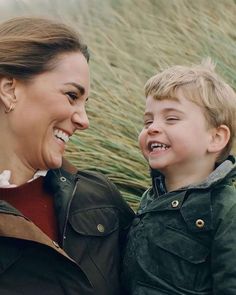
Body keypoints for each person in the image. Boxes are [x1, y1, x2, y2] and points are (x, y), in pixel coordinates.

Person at [0, 16, 134, 295]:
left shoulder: (100, 196)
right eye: (72, 96)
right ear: (9, 89)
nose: (84, 120)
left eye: (85, 103)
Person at [122, 59, 236, 294]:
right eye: (147, 121)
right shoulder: (150, 199)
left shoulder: (227, 210)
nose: (152, 128)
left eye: (171, 118)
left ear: (215, 138)